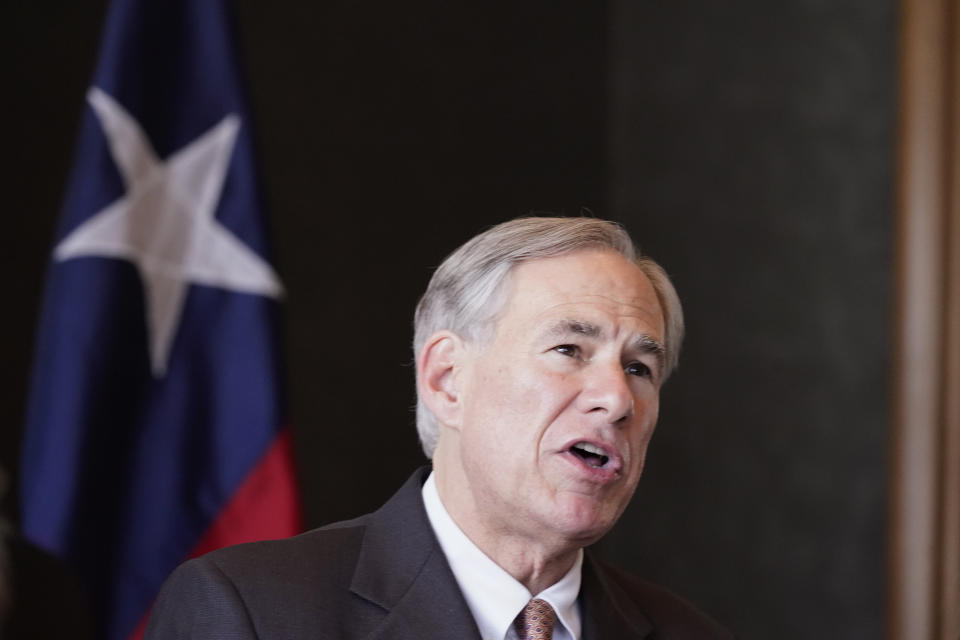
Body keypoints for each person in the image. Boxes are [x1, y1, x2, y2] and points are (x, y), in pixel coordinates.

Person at [146, 216, 732, 639]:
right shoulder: (251, 612)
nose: (617, 397)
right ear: (448, 379)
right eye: (569, 349)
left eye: (639, 367)